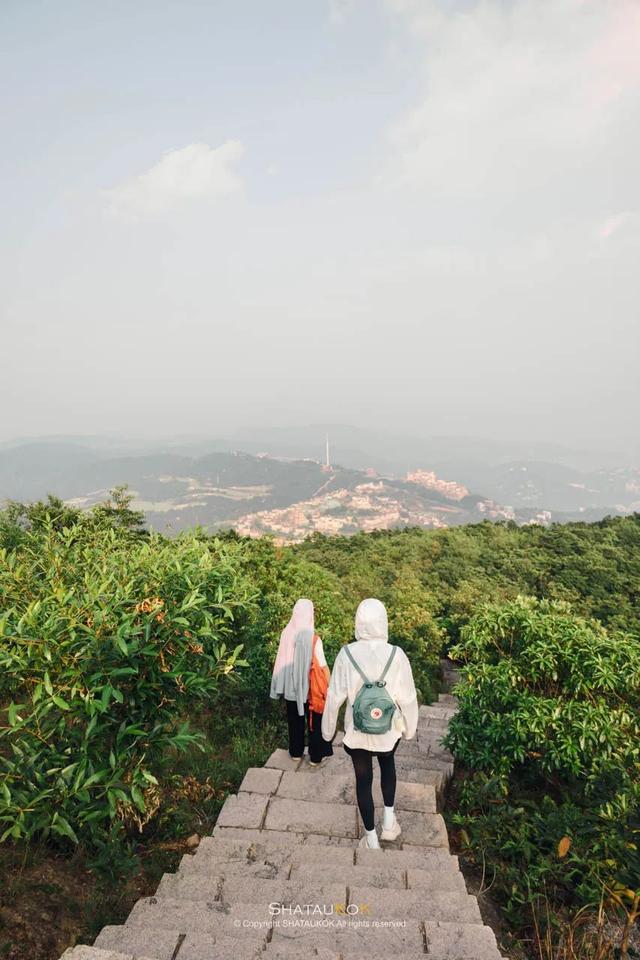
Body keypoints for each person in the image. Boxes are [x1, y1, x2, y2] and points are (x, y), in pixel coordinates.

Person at [321, 598, 418, 848]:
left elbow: (334, 696)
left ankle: (371, 840)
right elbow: (407, 697)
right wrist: (409, 729)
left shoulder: (347, 653)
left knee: (363, 779)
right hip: (388, 731)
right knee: (388, 766)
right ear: (383, 622)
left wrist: (327, 732)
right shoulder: (397, 654)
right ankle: (388, 823)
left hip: (357, 731)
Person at [270, 598, 333, 765]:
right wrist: (331, 687)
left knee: (294, 720)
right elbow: (323, 666)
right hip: (309, 688)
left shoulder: (286, 633)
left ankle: (296, 752)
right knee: (313, 722)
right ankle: (315, 757)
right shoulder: (313, 638)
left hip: (290, 688)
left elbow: (281, 660)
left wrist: (278, 685)